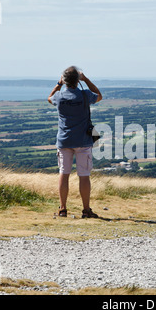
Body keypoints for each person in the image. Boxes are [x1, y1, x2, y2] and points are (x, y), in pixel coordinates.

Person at [48, 66, 103, 218]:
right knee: (84, 176)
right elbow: (99, 95)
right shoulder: (85, 95)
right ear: (77, 80)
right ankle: (86, 210)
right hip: (83, 141)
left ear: (64, 80)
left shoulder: (59, 96)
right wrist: (85, 79)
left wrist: (58, 84)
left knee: (63, 174)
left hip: (64, 141)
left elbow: (49, 98)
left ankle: (63, 209)